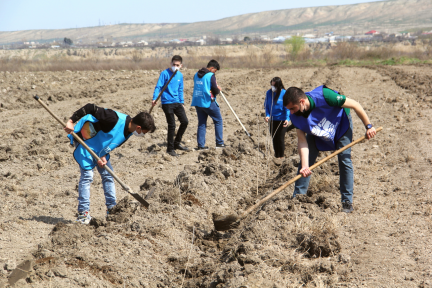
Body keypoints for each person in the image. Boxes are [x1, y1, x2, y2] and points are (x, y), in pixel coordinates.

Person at [283, 85, 376, 213]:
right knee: (306, 162)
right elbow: (302, 141)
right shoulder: (296, 115)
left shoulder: (326, 96)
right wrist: (305, 166)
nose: (291, 113)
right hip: (317, 129)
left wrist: (369, 126)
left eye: (292, 108)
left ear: (302, 101)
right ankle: (297, 198)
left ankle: (346, 201)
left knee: (344, 159)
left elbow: (355, 104)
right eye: (289, 110)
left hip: (340, 125)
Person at [64, 103, 156, 224]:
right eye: (144, 132)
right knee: (87, 176)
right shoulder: (113, 118)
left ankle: (112, 209)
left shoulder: (129, 130)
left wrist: (102, 156)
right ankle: (83, 214)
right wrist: (71, 121)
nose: (143, 135)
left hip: (98, 146)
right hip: (85, 139)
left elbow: (110, 142)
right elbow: (91, 108)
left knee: (108, 174)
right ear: (138, 128)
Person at [152, 55, 188, 157]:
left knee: (185, 122)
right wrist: (154, 98)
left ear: (181, 65)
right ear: (170, 63)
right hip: (167, 103)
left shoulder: (180, 75)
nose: (175, 66)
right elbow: (158, 86)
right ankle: (170, 149)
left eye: (177, 65)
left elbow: (180, 89)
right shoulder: (164, 73)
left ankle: (176, 143)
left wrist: (182, 102)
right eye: (174, 64)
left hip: (177, 102)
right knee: (172, 125)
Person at [191, 59, 225, 150]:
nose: (215, 73)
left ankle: (201, 145)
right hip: (208, 102)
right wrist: (218, 89)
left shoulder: (196, 75)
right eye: (215, 71)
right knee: (218, 121)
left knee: (202, 123)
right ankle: (219, 143)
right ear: (212, 68)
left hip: (198, 102)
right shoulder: (210, 75)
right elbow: (214, 89)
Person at [264, 77, 293, 159]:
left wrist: (287, 119)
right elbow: (266, 106)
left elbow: (287, 108)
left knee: (280, 138)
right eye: (271, 85)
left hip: (282, 120)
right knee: (274, 138)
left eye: (274, 85)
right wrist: (267, 115)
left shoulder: (284, 93)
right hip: (272, 120)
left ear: (279, 86)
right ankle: (276, 156)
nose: (272, 87)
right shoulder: (269, 93)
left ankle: (281, 156)